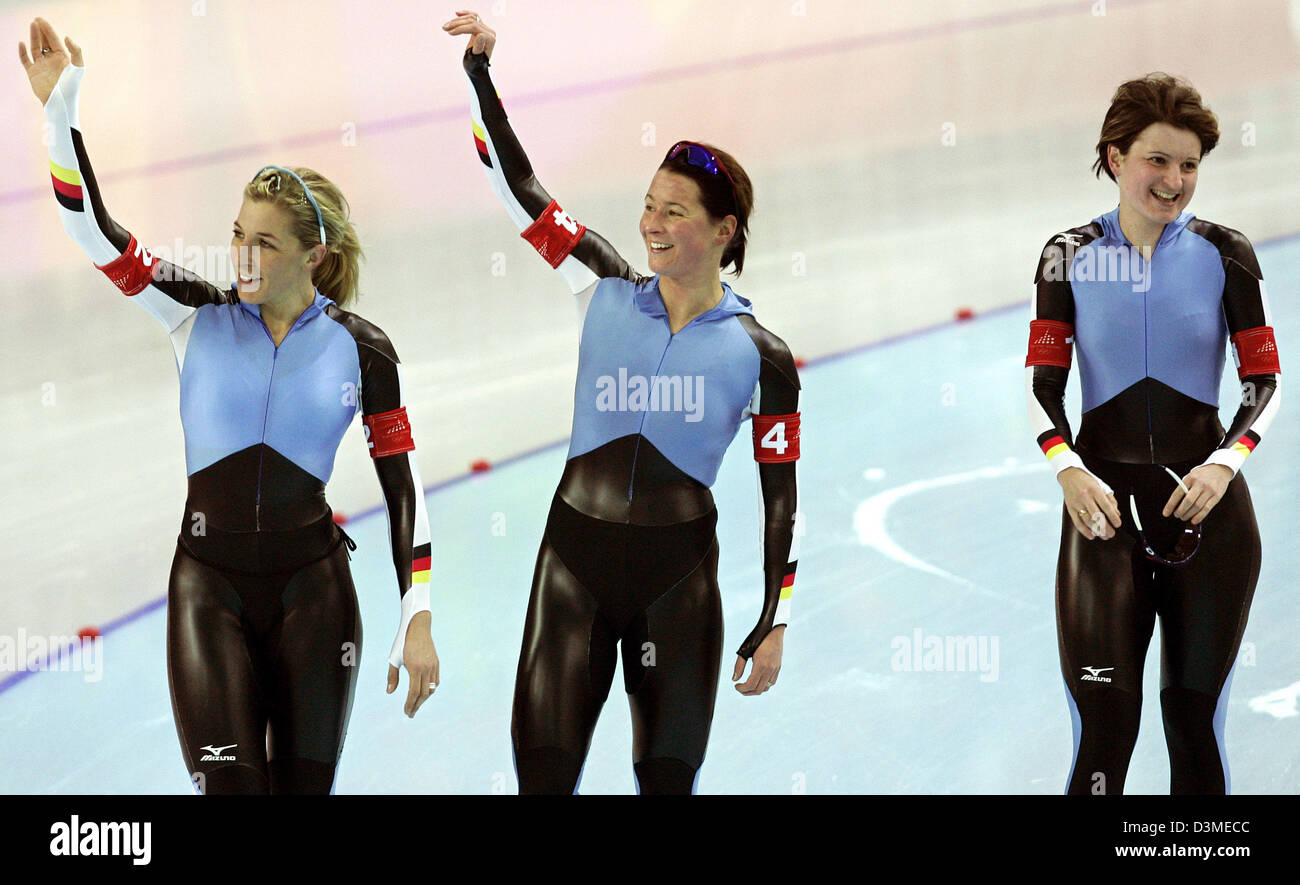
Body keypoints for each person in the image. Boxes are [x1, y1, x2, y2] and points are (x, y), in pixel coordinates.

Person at [21, 17, 440, 794]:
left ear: (314, 256)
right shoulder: (192, 313)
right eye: (237, 235)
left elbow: (403, 486)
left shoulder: (365, 349)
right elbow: (93, 231)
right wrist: (59, 113)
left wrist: (417, 613)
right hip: (207, 593)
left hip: (314, 597)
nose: (242, 256)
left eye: (266, 244)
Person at [443, 11, 802, 794]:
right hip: (573, 563)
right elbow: (517, 185)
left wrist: (775, 616)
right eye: (649, 204)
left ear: (724, 228)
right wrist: (480, 76)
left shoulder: (762, 356)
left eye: (675, 211)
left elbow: (784, 503)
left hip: (678, 583)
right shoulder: (600, 283)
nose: (651, 224)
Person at [1025, 73, 1281, 795]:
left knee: (1192, 721)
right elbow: (1041, 385)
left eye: (1190, 165)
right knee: (1105, 723)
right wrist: (1067, 467)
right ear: (1115, 157)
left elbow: (1265, 380)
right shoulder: (1065, 253)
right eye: (1157, 160)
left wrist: (1226, 462)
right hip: (1102, 515)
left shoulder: (1226, 252)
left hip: (1208, 518)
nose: (1175, 181)